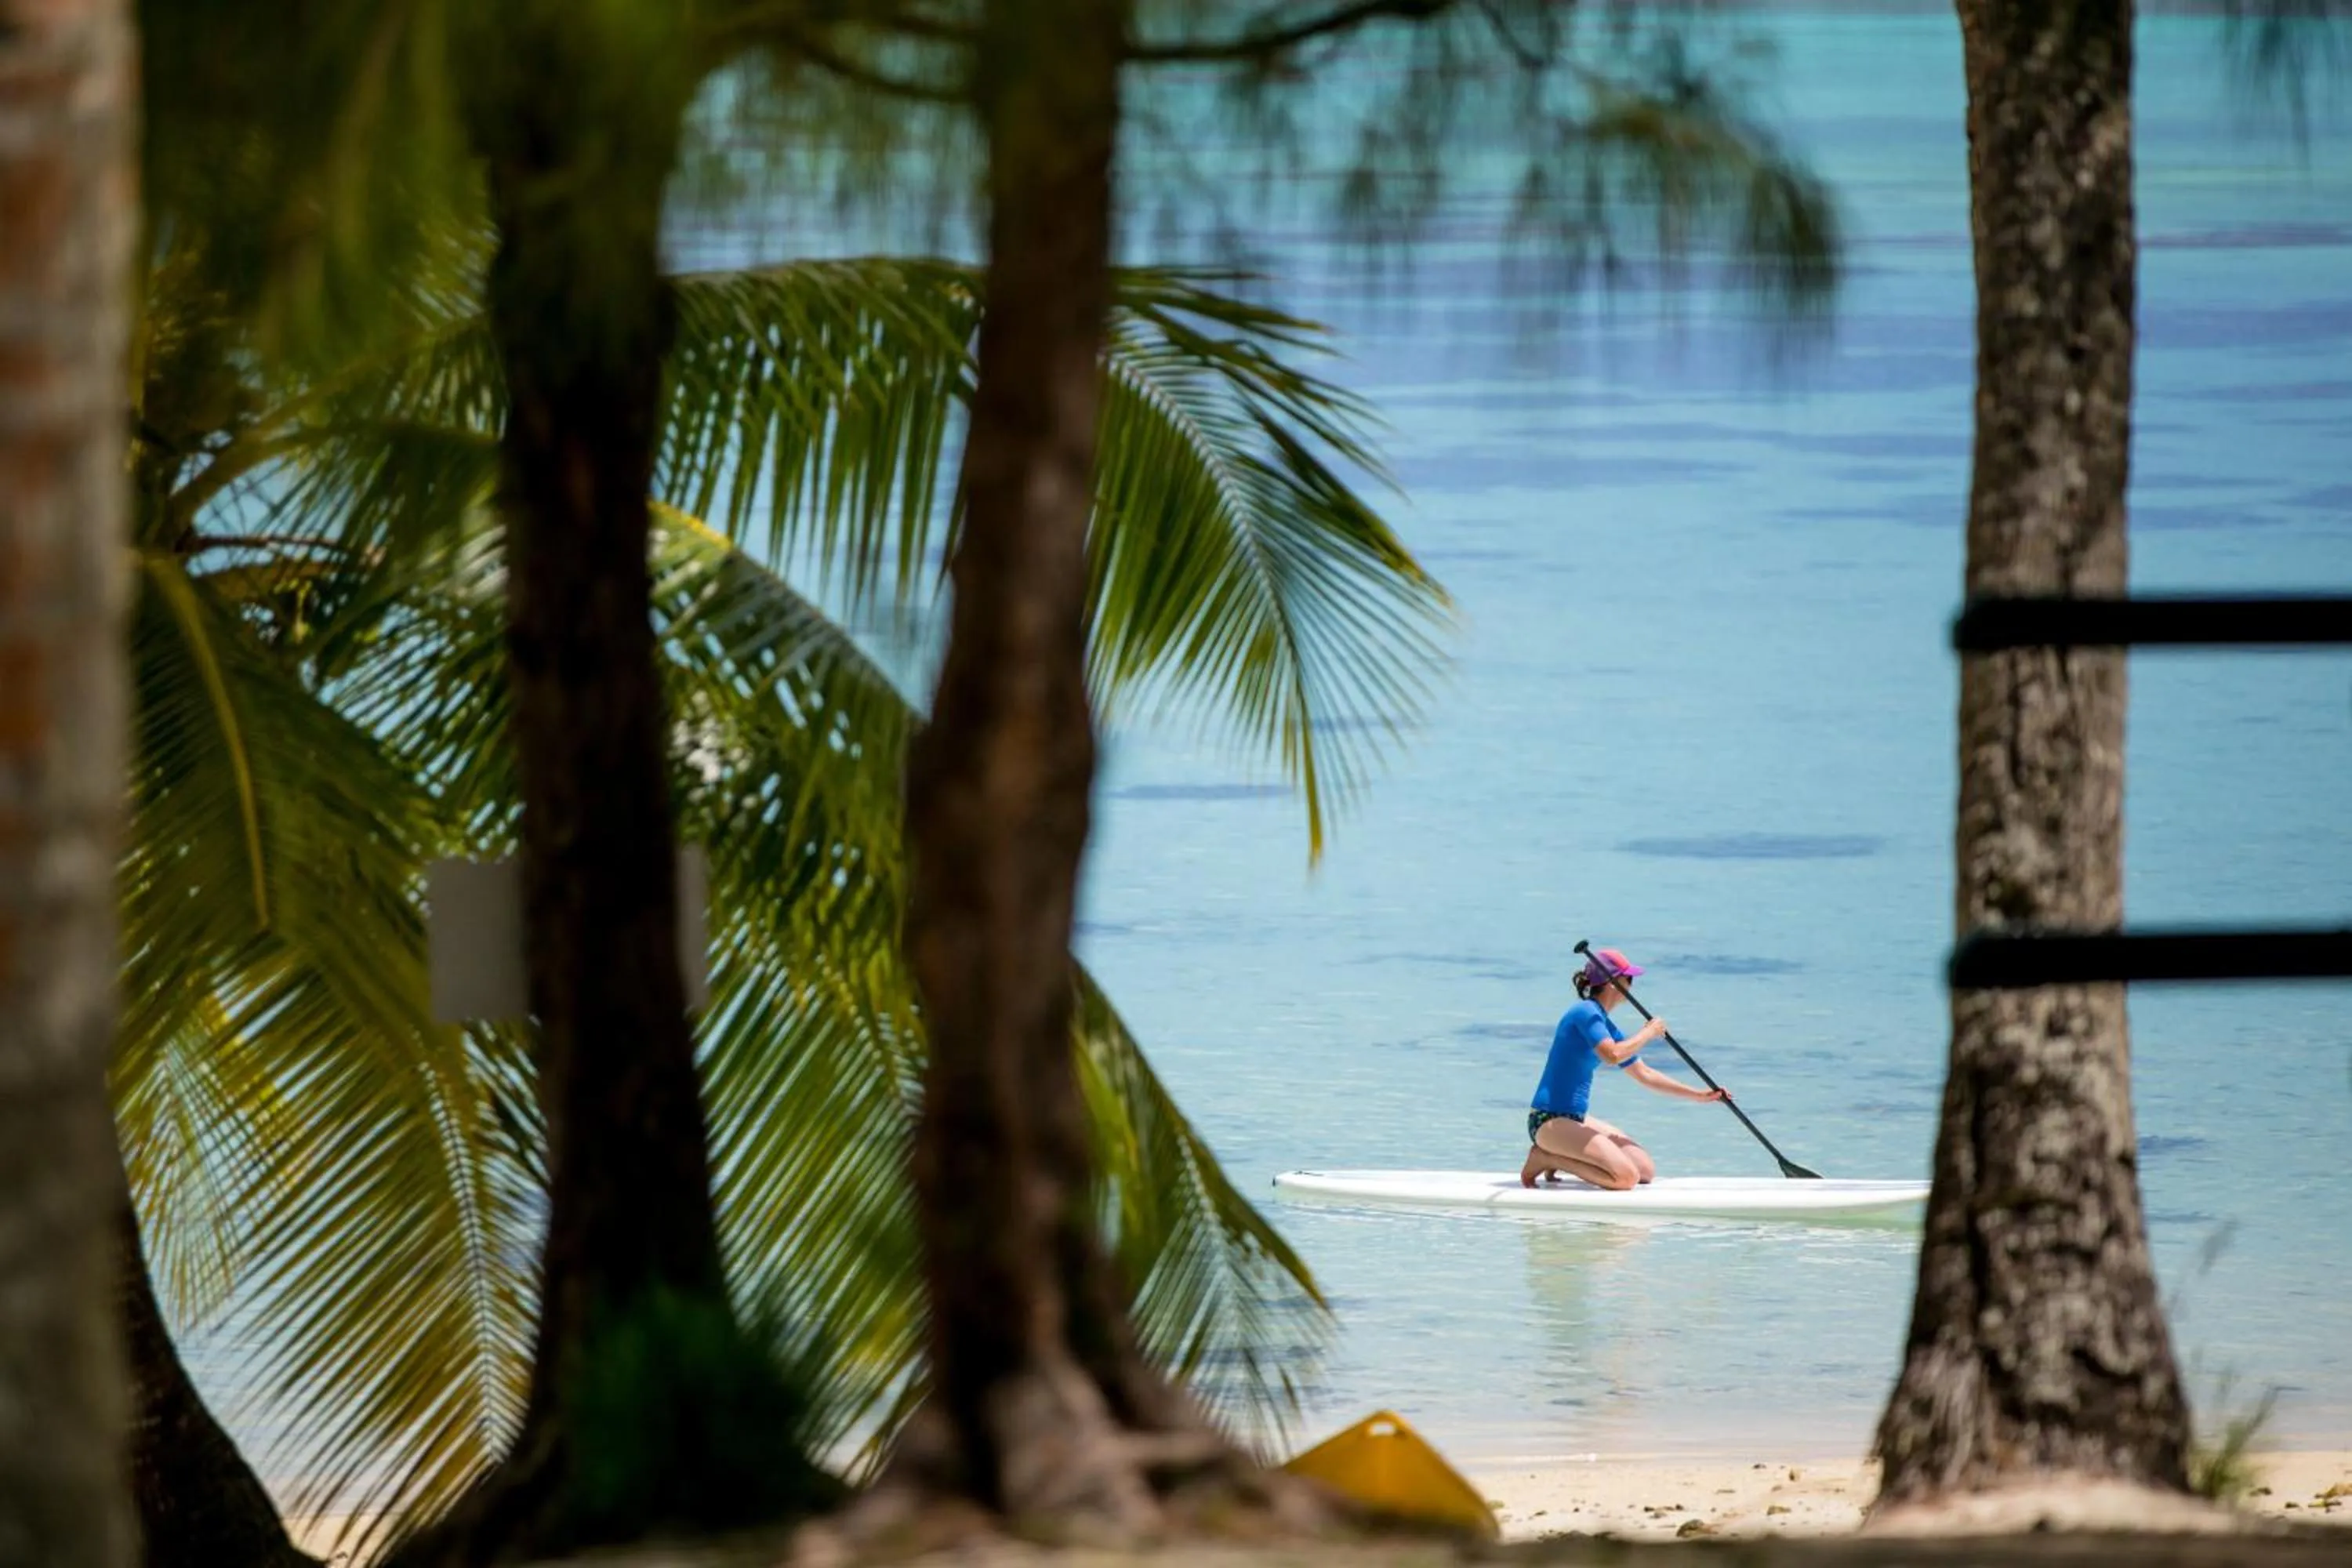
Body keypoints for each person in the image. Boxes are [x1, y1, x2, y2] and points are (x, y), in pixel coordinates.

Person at [1521, 947, 1729, 1190]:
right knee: (1625, 1178)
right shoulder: (1585, 1013)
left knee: (1644, 1170)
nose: (1631, 985)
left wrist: (1701, 1095)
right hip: (1548, 1120)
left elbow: (1645, 1074)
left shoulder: (1605, 1025)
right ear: (1613, 983)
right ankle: (1547, 1157)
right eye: (1628, 979)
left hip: (1575, 1118)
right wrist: (1648, 1033)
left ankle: (1563, 1155)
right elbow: (1612, 1055)